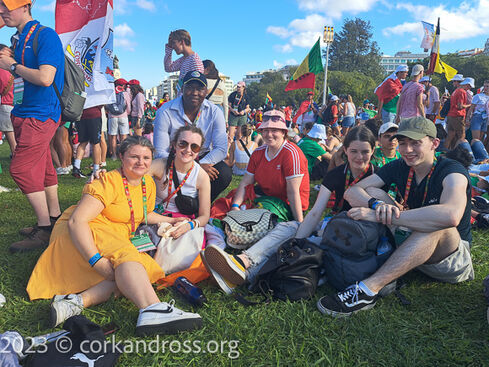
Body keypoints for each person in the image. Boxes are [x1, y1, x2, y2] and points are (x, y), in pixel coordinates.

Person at [26, 136, 203, 335]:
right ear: (121, 157)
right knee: (126, 258)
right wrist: (96, 261)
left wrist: (170, 220)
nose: (141, 162)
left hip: (115, 233)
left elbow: (142, 214)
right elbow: (78, 221)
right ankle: (153, 308)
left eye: (146, 158)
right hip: (84, 230)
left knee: (141, 273)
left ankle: (75, 303)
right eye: (134, 156)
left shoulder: (147, 183)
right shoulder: (107, 181)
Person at [316, 116, 474, 317]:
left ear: (434, 143)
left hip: (450, 258)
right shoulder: (400, 166)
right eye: (403, 143)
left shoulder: (452, 171)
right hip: (413, 242)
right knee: (375, 193)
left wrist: (380, 216)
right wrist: (376, 205)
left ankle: (368, 289)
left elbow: (451, 216)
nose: (407, 150)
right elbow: (352, 192)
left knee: (437, 225)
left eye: (415, 143)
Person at [202, 125, 377, 292]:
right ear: (345, 150)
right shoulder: (335, 175)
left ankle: (247, 273)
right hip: (333, 226)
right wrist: (298, 236)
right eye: (354, 151)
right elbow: (316, 212)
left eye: (364, 152)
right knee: (291, 230)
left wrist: (368, 212)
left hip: (361, 233)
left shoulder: (377, 176)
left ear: (373, 151)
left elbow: (388, 212)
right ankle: (243, 263)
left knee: (304, 248)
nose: (359, 157)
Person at [0, 0, 65, 252]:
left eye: (6, 7)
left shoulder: (45, 35)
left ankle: (44, 228)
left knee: (22, 169)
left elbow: (46, 78)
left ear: (25, 6)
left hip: (41, 113)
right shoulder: (19, 37)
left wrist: (12, 66)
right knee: (45, 167)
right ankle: (54, 218)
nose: (2, 12)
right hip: (25, 111)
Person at [154, 70, 231, 202]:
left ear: (206, 91)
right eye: (190, 87)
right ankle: (178, 202)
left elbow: (222, 148)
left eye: (200, 88)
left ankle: (199, 204)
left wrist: (202, 163)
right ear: (182, 89)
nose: (195, 92)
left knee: (223, 174)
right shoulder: (165, 111)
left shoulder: (214, 111)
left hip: (202, 157)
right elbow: (161, 151)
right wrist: (190, 167)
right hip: (174, 158)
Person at [230, 110, 309, 222]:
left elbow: (293, 192)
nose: (269, 134)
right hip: (266, 196)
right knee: (229, 203)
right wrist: (235, 206)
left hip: (287, 205)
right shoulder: (258, 152)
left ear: (283, 132)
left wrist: (299, 224)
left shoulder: (291, 153)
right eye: (265, 130)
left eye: (274, 130)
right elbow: (245, 183)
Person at [151, 125, 211, 229]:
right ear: (174, 145)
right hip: (156, 217)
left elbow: (205, 216)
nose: (188, 150)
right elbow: (134, 178)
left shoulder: (202, 177)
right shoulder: (159, 165)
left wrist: (190, 225)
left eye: (194, 147)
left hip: (183, 222)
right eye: (183, 144)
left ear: (199, 151)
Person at [164, 29, 204, 96]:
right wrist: (169, 48)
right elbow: (168, 68)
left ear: (182, 42)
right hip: (182, 102)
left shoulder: (194, 60)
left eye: (174, 43)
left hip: (187, 103)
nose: (173, 47)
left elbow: (197, 89)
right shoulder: (184, 59)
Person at [72, 105, 103, 179]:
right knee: (96, 143)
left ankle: (76, 166)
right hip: (94, 114)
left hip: (81, 114)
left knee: (83, 142)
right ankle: (96, 169)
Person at [446, 77, 473, 150]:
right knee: (461, 136)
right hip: (458, 115)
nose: (469, 88)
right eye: (469, 86)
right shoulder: (462, 91)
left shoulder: (456, 90)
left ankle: (444, 151)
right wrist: (470, 105)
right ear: (466, 84)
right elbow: (459, 106)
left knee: (450, 135)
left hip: (451, 115)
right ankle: (457, 153)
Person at [108, 78, 131, 160]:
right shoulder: (125, 93)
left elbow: (107, 105)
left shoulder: (111, 92)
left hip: (112, 117)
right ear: (123, 85)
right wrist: (127, 113)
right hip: (123, 116)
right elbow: (128, 106)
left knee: (113, 136)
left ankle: (114, 155)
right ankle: (123, 156)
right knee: (123, 137)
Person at [0, 55, 14, 155]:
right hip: (18, 105)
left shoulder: (1, 70)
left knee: (13, 143)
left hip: (6, 104)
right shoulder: (16, 69)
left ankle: (17, 162)